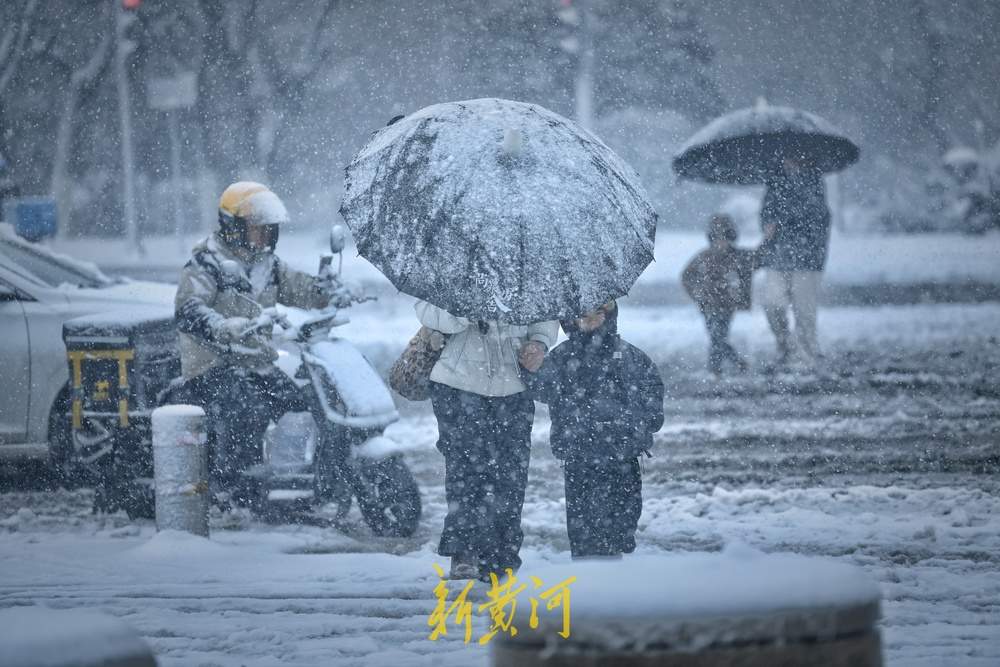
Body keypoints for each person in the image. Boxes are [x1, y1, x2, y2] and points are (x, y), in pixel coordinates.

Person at [173, 181, 332, 505]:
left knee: (298, 403)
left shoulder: (267, 264)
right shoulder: (207, 264)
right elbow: (189, 309)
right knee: (246, 410)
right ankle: (235, 491)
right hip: (212, 364)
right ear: (233, 227)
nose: (266, 236)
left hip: (253, 361)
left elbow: (298, 288)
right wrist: (220, 325)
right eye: (258, 229)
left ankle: (286, 478)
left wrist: (329, 291)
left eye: (270, 229)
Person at [416, 300, 558, 580]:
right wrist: (464, 311)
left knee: (510, 475)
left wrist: (539, 343)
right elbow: (426, 311)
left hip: (514, 385)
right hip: (458, 385)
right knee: (465, 471)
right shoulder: (451, 262)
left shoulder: (524, 264)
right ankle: (464, 551)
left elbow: (545, 312)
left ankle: (502, 555)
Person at [523, 301, 664, 560]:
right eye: (582, 315)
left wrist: (643, 423)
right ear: (570, 320)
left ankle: (614, 559)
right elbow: (541, 390)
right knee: (584, 522)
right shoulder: (562, 357)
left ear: (609, 315)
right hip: (580, 455)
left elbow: (652, 392)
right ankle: (589, 568)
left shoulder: (630, 356)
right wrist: (529, 369)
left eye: (597, 313)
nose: (589, 320)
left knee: (624, 516)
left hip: (624, 453)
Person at [758, 156, 831, 367]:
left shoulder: (815, 182)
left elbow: (817, 217)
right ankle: (785, 345)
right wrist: (767, 224)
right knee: (772, 304)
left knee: (804, 310)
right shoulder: (774, 182)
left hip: (807, 258)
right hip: (778, 256)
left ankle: (806, 355)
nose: (788, 160)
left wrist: (783, 217)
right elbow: (765, 213)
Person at [681, 214, 758, 375]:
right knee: (717, 337)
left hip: (727, 305)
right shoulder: (704, 256)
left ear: (731, 238)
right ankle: (734, 363)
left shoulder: (738, 257)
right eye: (717, 238)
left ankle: (715, 369)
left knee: (718, 336)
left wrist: (740, 295)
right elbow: (686, 276)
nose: (721, 243)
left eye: (724, 238)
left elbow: (757, 259)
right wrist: (696, 294)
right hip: (707, 304)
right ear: (711, 239)